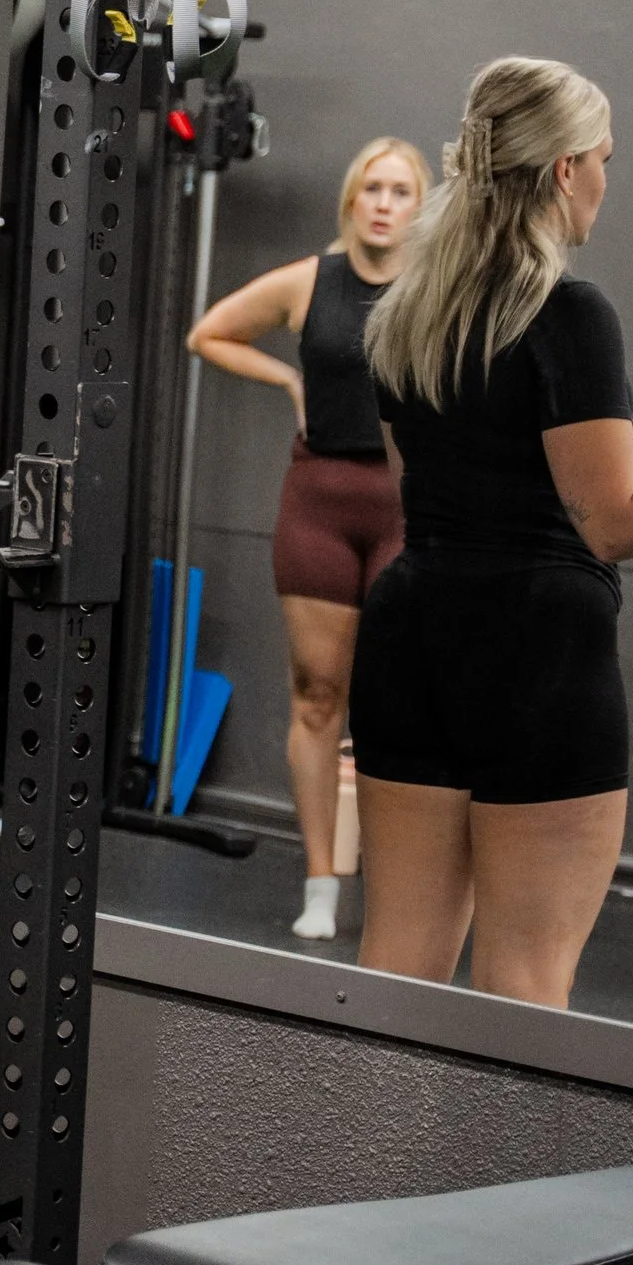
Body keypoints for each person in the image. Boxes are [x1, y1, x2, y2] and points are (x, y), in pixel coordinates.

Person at [351, 56, 633, 1008]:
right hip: (535, 654)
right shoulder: (573, 313)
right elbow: (614, 524)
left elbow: (429, 477)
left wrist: (595, 427)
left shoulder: (411, 316)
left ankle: (354, 1163)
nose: (604, 180)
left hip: (411, 633)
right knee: (523, 988)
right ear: (561, 171)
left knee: (398, 970)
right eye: (602, 158)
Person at [186, 135, 430, 938]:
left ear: (418, 204)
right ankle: (321, 883)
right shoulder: (308, 282)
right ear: (351, 200)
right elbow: (209, 333)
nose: (385, 204)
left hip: (405, 510)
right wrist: (286, 376)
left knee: (399, 705)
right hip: (319, 503)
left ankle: (397, 886)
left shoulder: (433, 291)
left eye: (400, 191)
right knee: (318, 695)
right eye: (373, 189)